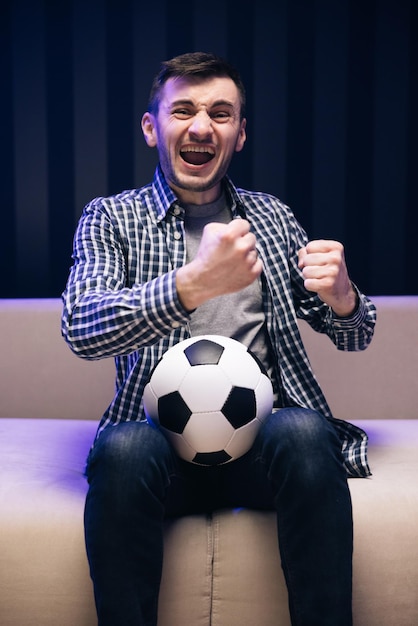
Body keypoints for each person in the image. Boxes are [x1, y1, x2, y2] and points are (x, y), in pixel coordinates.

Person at [62, 51, 376, 626]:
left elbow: (356, 335)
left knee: (307, 431)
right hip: (160, 449)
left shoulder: (273, 220)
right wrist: (192, 285)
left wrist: (346, 299)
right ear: (152, 127)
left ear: (240, 133)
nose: (202, 126)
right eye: (183, 109)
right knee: (124, 448)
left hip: (263, 447)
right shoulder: (111, 219)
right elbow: (81, 326)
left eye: (220, 112)